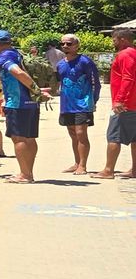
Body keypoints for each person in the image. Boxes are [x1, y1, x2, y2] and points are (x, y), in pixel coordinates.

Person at [0, 30, 55, 184]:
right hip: (31, 102)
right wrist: (36, 93)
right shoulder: (17, 53)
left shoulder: (4, 57)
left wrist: (36, 90)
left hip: (17, 102)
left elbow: (18, 73)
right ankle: (28, 172)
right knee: (30, 138)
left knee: (18, 138)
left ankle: (25, 175)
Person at [53, 33, 101, 174]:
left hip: (83, 104)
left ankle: (83, 166)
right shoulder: (60, 64)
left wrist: (93, 100)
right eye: (63, 44)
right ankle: (76, 162)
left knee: (81, 133)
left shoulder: (85, 61)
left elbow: (96, 83)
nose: (65, 46)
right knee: (72, 133)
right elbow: (59, 83)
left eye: (69, 43)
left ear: (77, 45)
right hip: (67, 105)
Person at [98, 27, 136, 180]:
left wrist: (120, 99)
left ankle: (108, 170)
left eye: (114, 39)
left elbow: (128, 78)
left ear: (122, 39)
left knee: (113, 136)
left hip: (126, 104)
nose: (113, 42)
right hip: (133, 103)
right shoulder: (133, 53)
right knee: (134, 138)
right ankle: (134, 170)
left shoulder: (125, 54)